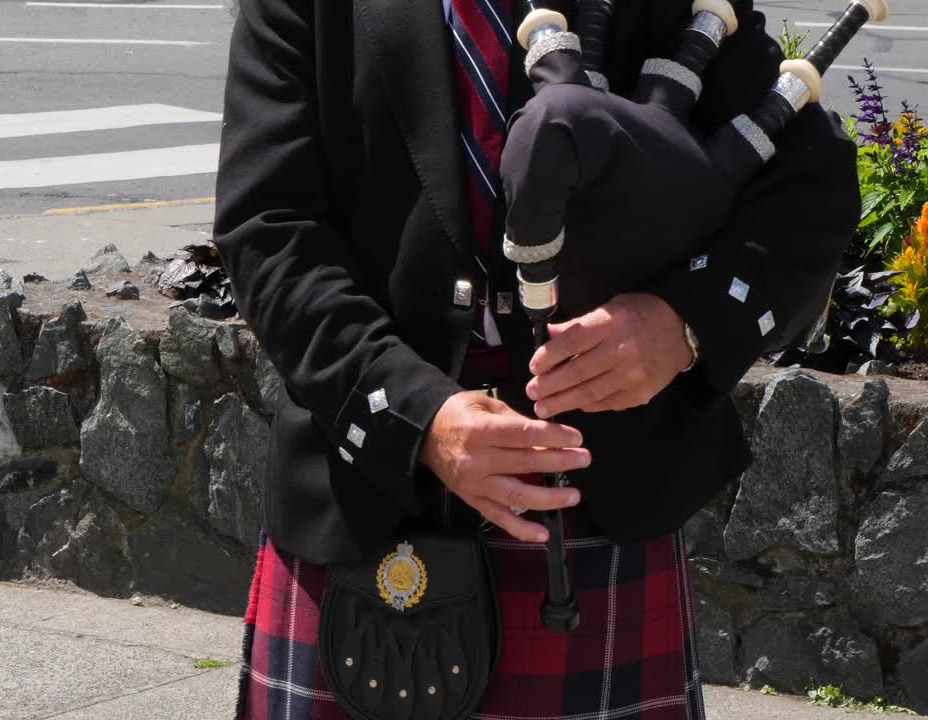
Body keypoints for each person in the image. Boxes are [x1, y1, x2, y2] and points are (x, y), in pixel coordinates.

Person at [213, 1, 860, 718]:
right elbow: (268, 228)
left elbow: (810, 186)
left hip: (596, 507)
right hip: (364, 498)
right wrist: (417, 416)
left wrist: (679, 324)